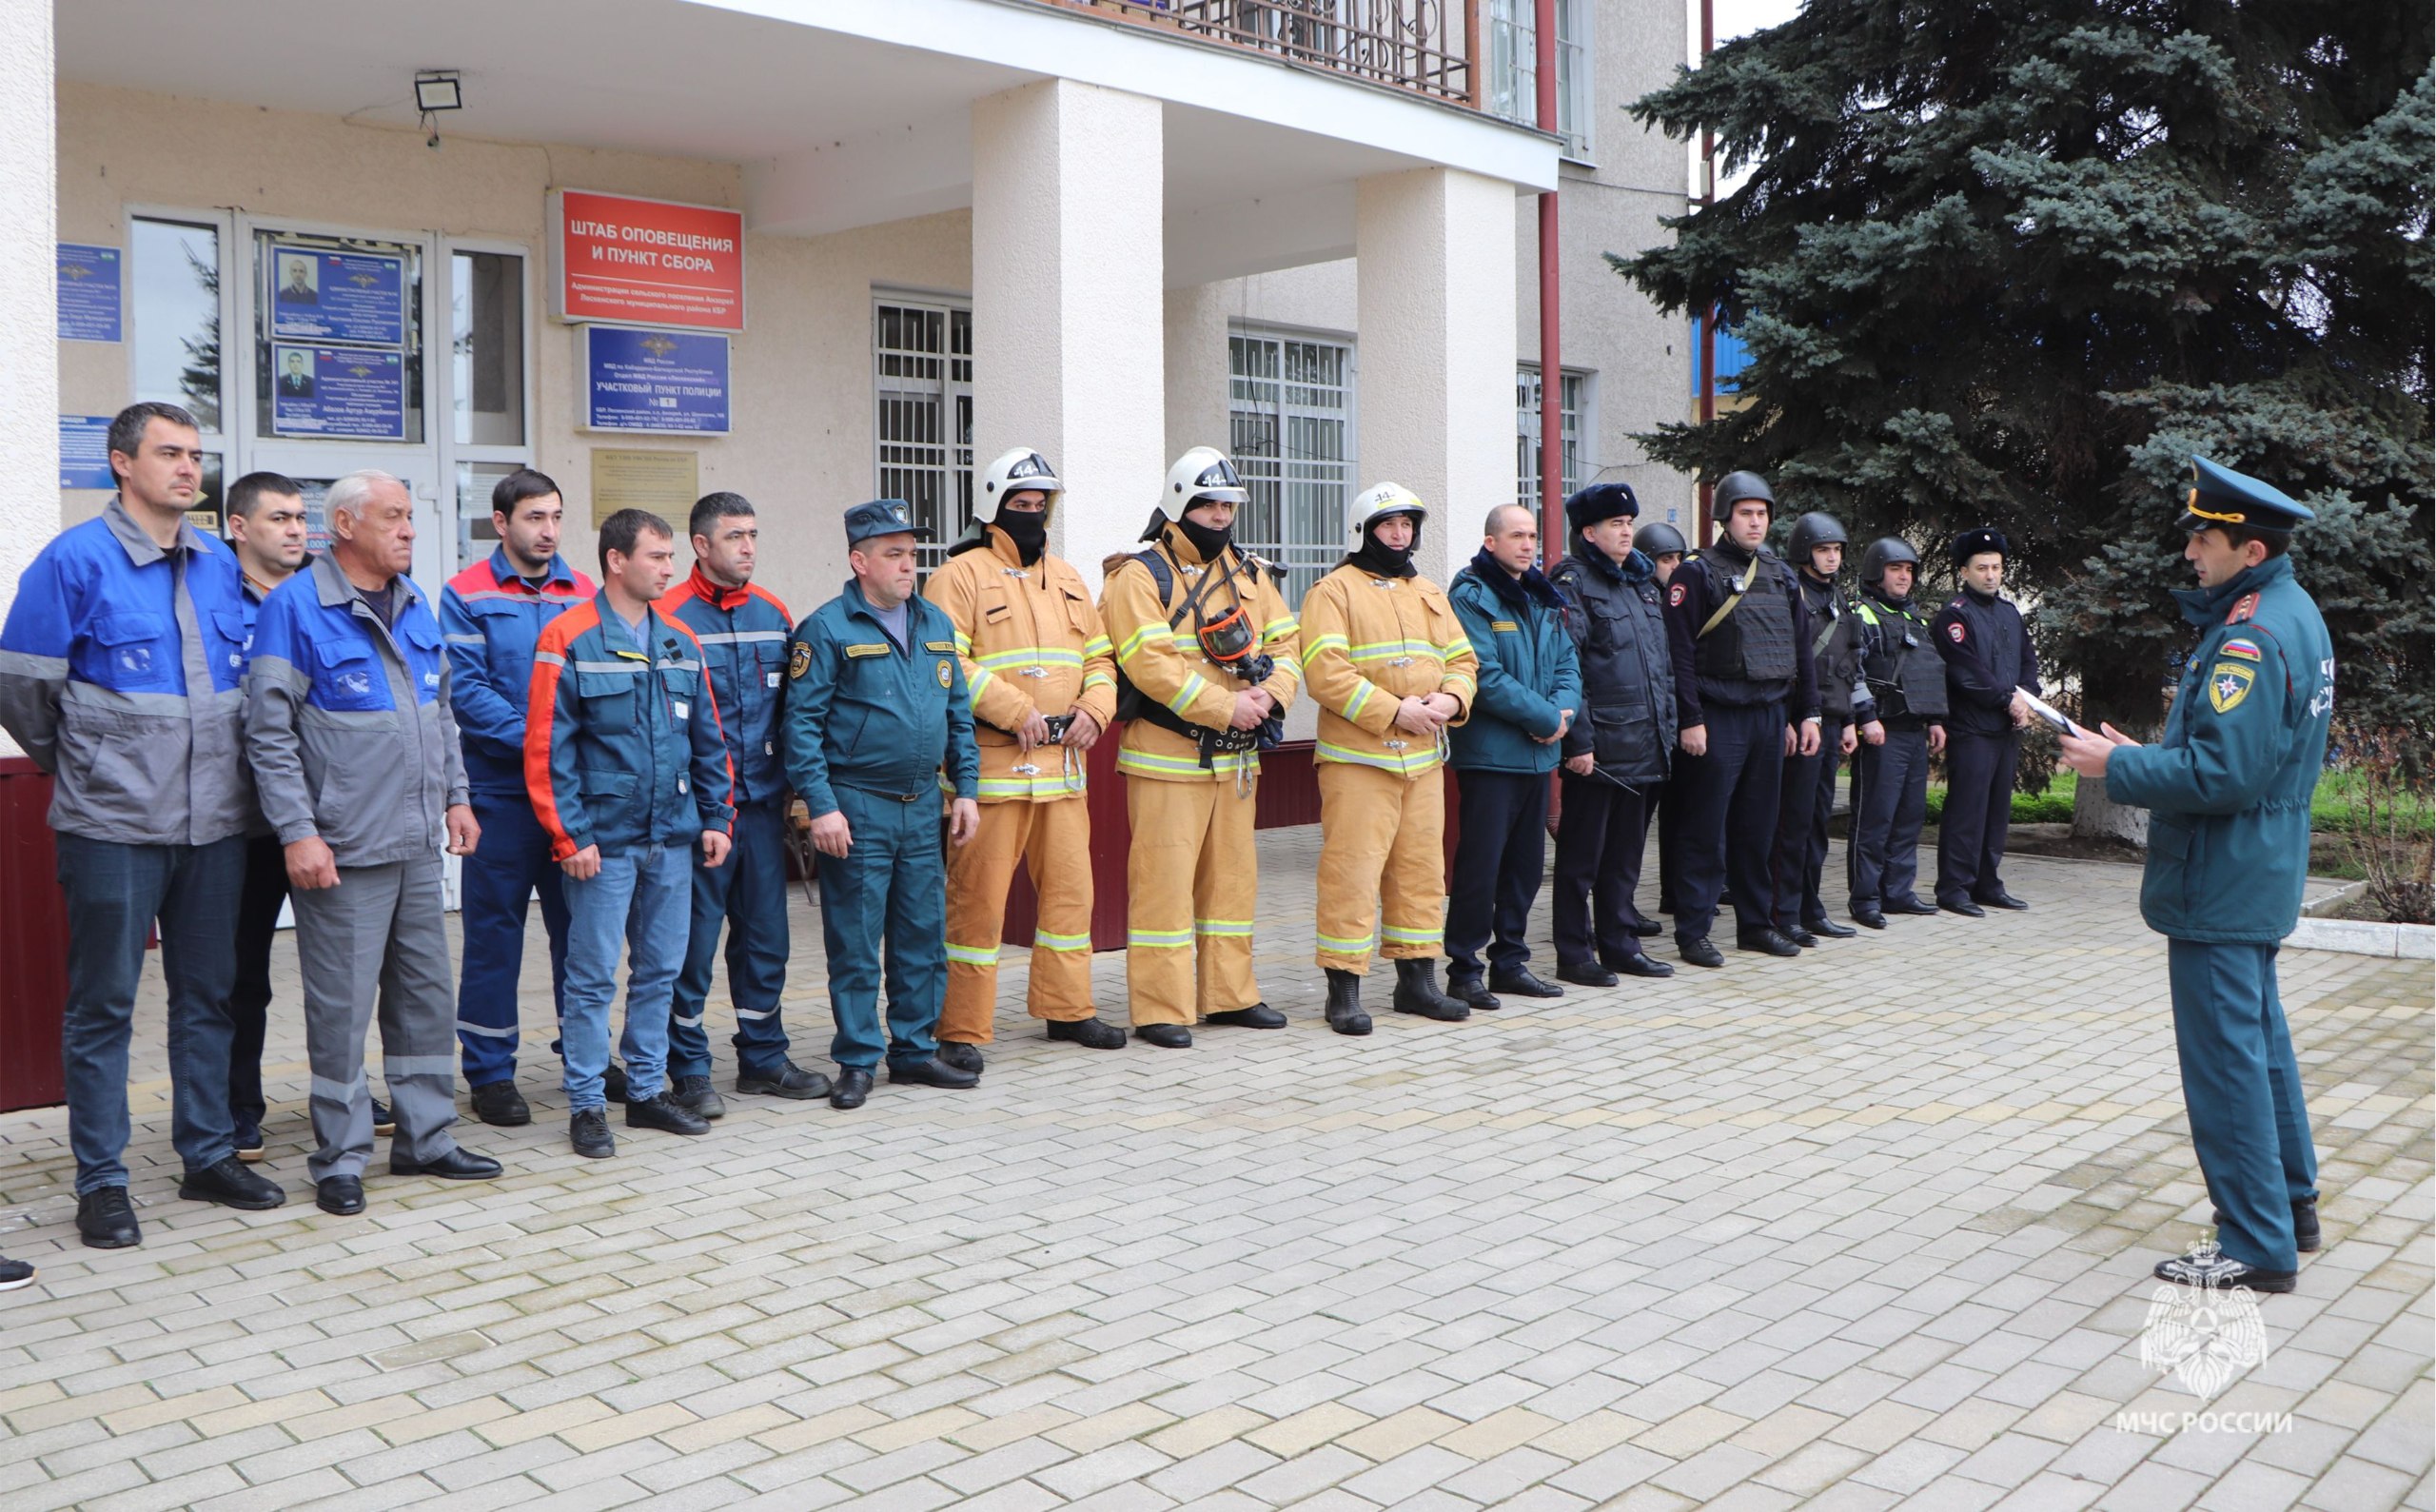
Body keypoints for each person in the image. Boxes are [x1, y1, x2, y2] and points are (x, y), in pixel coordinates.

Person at [0, 402, 283, 1247]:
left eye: (196, 454)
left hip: (215, 829)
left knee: (209, 996)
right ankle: (103, 1181)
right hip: (115, 826)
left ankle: (206, 1154)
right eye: (170, 453)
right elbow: (21, 687)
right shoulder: (74, 560)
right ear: (122, 464)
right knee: (104, 1006)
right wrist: (87, 762)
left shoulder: (215, 565)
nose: (189, 468)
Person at [2057, 458, 2334, 1292]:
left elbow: (2225, 775)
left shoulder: (2250, 633)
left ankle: (2255, 1242)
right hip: (2255, 868)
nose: (2190, 554)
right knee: (2261, 1048)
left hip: (2223, 875)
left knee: (2227, 1064)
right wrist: (2140, 751)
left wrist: (2120, 767)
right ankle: (2291, 1205)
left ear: (2249, 549)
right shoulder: (2295, 611)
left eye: (2203, 539)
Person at [243, 471, 502, 1216]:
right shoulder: (297, 607)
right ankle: (341, 1157)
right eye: (394, 518)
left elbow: (442, 712)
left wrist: (457, 796)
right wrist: (298, 830)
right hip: (344, 848)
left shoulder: (416, 602)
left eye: (411, 518)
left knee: (425, 999)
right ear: (346, 526)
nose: (410, 530)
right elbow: (267, 733)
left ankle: (426, 1139)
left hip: (417, 841)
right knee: (342, 1007)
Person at [527, 509, 737, 1155]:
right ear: (617, 561)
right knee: (591, 977)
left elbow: (709, 741)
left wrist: (716, 817)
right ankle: (588, 1103)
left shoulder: (680, 640)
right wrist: (570, 837)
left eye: (672, 557)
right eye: (657, 556)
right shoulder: (569, 637)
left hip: (672, 839)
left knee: (659, 971)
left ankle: (646, 1093)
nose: (670, 569)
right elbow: (545, 750)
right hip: (603, 845)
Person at [925, 449, 1124, 1065]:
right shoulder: (957, 576)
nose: (1033, 515)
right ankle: (960, 1028)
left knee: (1071, 898)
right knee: (977, 905)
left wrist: (1096, 707)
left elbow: (1101, 656)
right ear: (992, 510)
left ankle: (1068, 1010)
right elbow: (948, 661)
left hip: (1064, 773)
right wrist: (1016, 710)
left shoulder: (1067, 577)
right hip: (991, 772)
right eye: (1021, 506)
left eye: (1041, 505)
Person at [781, 501, 983, 1107]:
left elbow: (959, 718)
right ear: (858, 561)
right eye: (893, 555)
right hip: (858, 806)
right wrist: (821, 805)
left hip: (923, 805)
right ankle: (858, 1060)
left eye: (912, 554)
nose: (908, 567)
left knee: (922, 934)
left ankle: (914, 1051)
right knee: (856, 940)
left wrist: (966, 790)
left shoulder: (936, 624)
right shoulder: (827, 629)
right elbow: (802, 727)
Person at [1100, 448, 1303, 1048]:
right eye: (1207, 504)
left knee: (1232, 884)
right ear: (1179, 505)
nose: (1219, 516)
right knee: (1164, 886)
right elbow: (1150, 665)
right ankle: (1162, 1007)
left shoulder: (1249, 572)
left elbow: (1289, 645)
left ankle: (1230, 995)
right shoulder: (1138, 576)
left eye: (1227, 506)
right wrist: (1227, 707)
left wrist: (1270, 697)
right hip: (1168, 760)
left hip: (1236, 760)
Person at [658, 493, 830, 1109]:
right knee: (689, 948)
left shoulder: (774, 612)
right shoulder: (667, 616)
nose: (749, 547)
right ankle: (688, 1069)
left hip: (761, 811)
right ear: (701, 546)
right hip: (697, 819)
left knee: (765, 942)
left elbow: (796, 714)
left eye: (753, 534)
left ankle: (762, 1056)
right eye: (735, 536)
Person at [441, 470, 596, 1125]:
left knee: (582, 936)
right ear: (501, 522)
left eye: (556, 516)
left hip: (571, 800)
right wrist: (544, 746)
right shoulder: (465, 593)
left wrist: (563, 759)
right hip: (502, 796)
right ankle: (490, 1071)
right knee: (494, 939)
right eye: (535, 517)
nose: (549, 530)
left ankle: (583, 1054)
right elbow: (468, 691)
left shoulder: (585, 590)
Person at [1301, 482, 1480, 1033]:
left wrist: (1451, 700)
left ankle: (1416, 984)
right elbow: (1325, 674)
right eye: (1388, 525)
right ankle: (1344, 990)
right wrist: (1394, 711)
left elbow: (1463, 660)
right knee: (1351, 874)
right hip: (1359, 760)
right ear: (1363, 531)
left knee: (1421, 873)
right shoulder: (1332, 592)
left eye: (1407, 525)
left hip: (1422, 760)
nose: (1400, 535)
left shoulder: (1428, 592)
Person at [1660, 472, 1819, 967]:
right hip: (1716, 715)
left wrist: (1807, 713)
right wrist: (1690, 719)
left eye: (1763, 513)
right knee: (1705, 829)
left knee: (1758, 829)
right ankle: (1694, 932)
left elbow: (1801, 652)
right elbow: (1679, 653)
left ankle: (1755, 925)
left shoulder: (1779, 573)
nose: (1756, 521)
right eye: (1746, 513)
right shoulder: (1696, 573)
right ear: (1725, 517)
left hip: (1770, 717)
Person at [1444, 504, 1581, 1011]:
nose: (1527, 544)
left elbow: (1568, 662)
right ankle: (1464, 969)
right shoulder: (1472, 596)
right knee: (1481, 867)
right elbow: (1483, 676)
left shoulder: (1541, 595)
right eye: (1516, 536)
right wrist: (1548, 719)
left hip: (1538, 758)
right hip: (1491, 758)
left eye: (1531, 536)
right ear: (1490, 542)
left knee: (1524, 868)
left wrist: (1564, 711)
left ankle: (1511, 962)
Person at [1547, 483, 1679, 986]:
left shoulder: (1642, 584)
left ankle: (1621, 944)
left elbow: (1661, 667)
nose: (1626, 532)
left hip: (1645, 744)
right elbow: (1567, 666)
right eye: (1614, 525)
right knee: (1582, 859)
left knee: (1625, 857)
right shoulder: (1574, 582)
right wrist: (1578, 741)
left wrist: (1667, 731)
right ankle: (1575, 954)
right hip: (1600, 747)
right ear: (1589, 532)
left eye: (1629, 524)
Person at [223, 471, 315, 1161]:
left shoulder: (324, 594)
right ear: (238, 526)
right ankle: (238, 1107)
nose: (294, 529)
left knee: (341, 967)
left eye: (300, 517)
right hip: (242, 822)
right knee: (242, 974)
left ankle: (341, 1089)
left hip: (327, 818)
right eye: (278, 517)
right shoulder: (206, 592)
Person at [1844, 538, 1948, 929]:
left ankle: (1898, 892)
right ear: (1876, 572)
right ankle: (1865, 897)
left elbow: (1929, 674)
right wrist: (1866, 716)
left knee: (1909, 817)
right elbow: (1853, 670)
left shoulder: (1917, 621)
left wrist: (1936, 720)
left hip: (1914, 730)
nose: (1904, 576)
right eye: (1895, 569)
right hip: (1881, 731)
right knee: (1875, 818)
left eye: (1908, 570)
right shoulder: (1864, 615)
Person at [1933, 528, 2037, 914]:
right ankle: (1954, 889)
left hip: (2006, 728)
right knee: (1967, 810)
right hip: (1973, 728)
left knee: (1996, 812)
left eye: (1996, 567)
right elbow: (1967, 673)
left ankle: (1987, 883)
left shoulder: (2009, 613)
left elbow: (2028, 661)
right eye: (1982, 568)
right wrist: (2007, 700)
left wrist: (2026, 697)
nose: (1991, 575)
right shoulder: (1954, 617)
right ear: (1964, 571)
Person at [1772, 512, 1864, 945]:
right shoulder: (1794, 593)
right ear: (1804, 553)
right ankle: (1784, 912)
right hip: (1801, 722)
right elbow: (1789, 663)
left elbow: (1848, 663)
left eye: (1837, 551)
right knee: (1794, 824)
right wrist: (1793, 719)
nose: (1831, 558)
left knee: (1817, 823)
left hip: (1830, 720)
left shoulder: (1838, 598)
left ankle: (1811, 908)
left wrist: (1849, 720)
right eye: (1823, 550)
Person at [1636, 520, 1690, 925]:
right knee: (1634, 826)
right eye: (1664, 559)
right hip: (1644, 728)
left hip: (1672, 724)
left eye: (1677, 558)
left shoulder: (1677, 600)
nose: (1673, 566)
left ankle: (1674, 890)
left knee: (1676, 817)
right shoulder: (1644, 598)